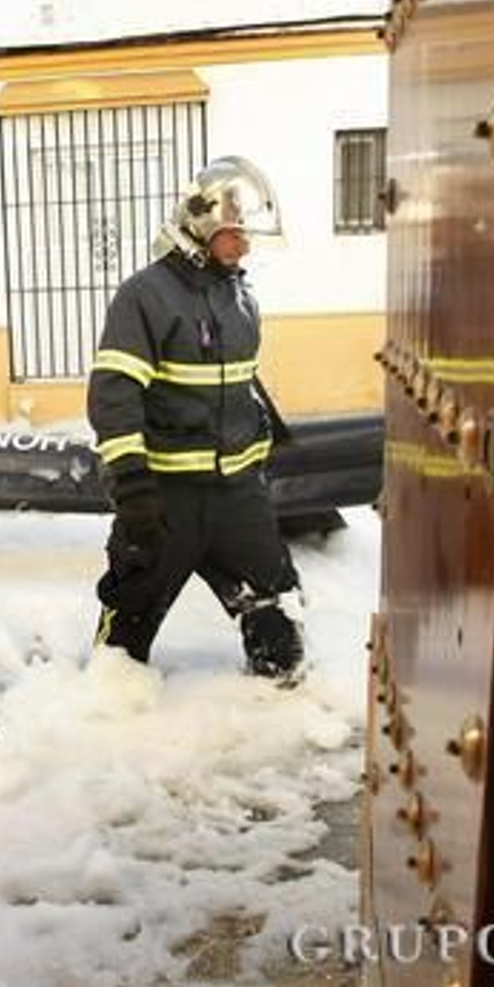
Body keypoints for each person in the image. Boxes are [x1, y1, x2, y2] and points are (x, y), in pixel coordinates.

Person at [87, 155, 306, 684]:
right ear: (201, 226)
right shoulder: (145, 296)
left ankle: (279, 703)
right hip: (167, 499)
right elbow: (114, 393)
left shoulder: (240, 296)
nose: (245, 246)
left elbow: (239, 386)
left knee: (278, 619)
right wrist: (133, 487)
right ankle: (99, 721)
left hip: (238, 499)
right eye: (236, 234)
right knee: (124, 636)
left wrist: (262, 453)